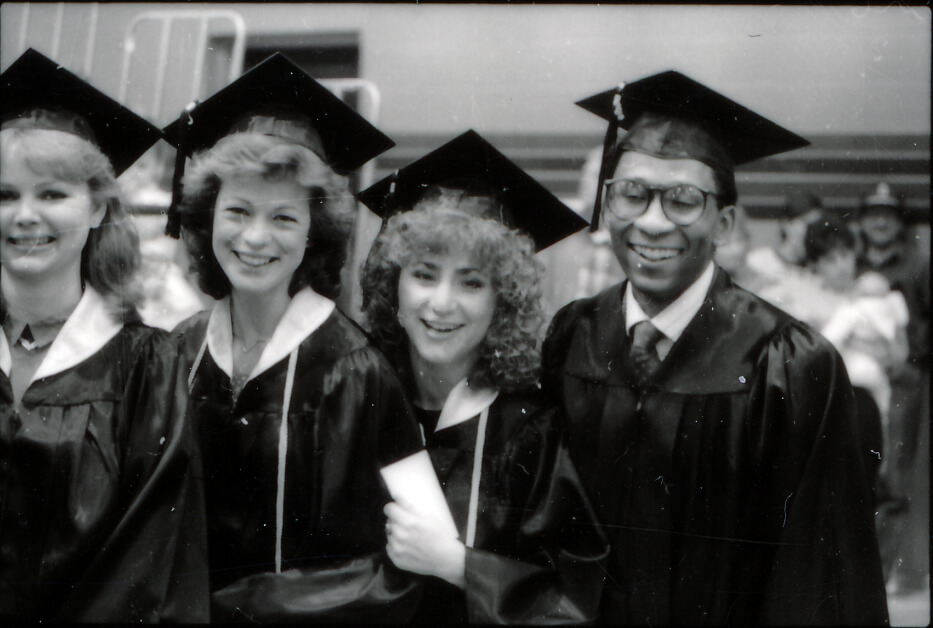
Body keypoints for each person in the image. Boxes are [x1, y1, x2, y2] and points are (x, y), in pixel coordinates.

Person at [544, 71, 889, 624]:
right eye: (632, 194)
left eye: (683, 201)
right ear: (606, 206)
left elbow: (818, 572)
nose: (652, 223)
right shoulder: (573, 336)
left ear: (724, 222)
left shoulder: (789, 362)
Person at [164, 53, 426, 623]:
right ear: (208, 218)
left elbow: (404, 564)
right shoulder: (176, 352)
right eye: (238, 211)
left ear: (315, 232)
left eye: (284, 217)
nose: (255, 238)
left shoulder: (356, 369)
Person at [357, 130, 608, 624]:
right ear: (392, 283)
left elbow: (570, 603)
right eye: (424, 274)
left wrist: (460, 566)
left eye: (471, 282)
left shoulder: (529, 430)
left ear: (503, 301)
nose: (442, 303)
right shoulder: (357, 396)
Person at [0, 49, 207, 621]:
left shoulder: (146, 367)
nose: (24, 215)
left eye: (52, 194)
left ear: (96, 209)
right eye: (4, 195)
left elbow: (150, 566)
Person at [856, 182, 930, 594]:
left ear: (900, 223)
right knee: (855, 470)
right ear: (862, 220)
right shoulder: (848, 260)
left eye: (888, 214)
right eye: (873, 214)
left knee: (895, 477)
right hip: (855, 380)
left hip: (902, 383)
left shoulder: (918, 264)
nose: (880, 222)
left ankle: (881, 575)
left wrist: (910, 356)